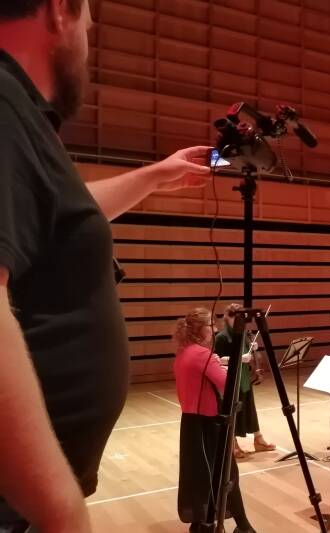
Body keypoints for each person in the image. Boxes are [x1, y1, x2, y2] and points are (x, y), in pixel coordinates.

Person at [0, 2, 211, 530]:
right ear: (58, 12)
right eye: (89, 26)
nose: (89, 44)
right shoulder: (3, 104)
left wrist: (154, 176)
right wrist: (60, 511)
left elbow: (61, 214)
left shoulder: (18, 115)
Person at [174, 308, 257, 533]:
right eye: (210, 324)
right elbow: (226, 385)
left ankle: (201, 523)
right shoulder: (202, 354)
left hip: (190, 422)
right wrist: (235, 365)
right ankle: (244, 527)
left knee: (199, 474)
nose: (215, 328)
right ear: (198, 329)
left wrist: (220, 363)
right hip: (208, 422)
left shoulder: (184, 351)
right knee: (227, 474)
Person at [215, 303, 276, 459]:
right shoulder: (221, 337)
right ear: (227, 317)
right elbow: (218, 360)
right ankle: (232, 444)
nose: (238, 323)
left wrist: (253, 346)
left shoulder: (243, 334)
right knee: (233, 412)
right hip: (230, 379)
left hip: (244, 377)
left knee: (250, 409)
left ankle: (258, 440)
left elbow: (248, 350)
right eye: (234, 319)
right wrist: (239, 358)